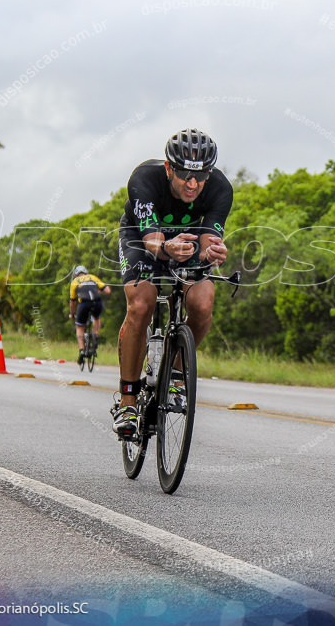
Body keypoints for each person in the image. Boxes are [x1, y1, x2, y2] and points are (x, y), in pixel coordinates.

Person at [111, 128, 233, 438]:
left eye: (201, 175)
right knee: (141, 304)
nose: (193, 183)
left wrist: (213, 250)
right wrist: (166, 248)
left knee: (203, 303)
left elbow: (208, 239)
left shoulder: (219, 188)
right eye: (183, 174)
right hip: (143, 239)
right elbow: (152, 240)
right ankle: (128, 400)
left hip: (188, 243)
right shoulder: (145, 179)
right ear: (169, 168)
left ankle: (176, 371)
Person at [68, 265, 111, 362]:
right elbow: (107, 290)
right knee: (97, 318)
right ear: (86, 273)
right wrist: (97, 290)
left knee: (79, 327)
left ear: (76, 275)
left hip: (84, 304)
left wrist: (72, 313)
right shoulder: (93, 277)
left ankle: (82, 350)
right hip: (97, 302)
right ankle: (95, 337)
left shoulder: (75, 282)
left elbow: (72, 301)